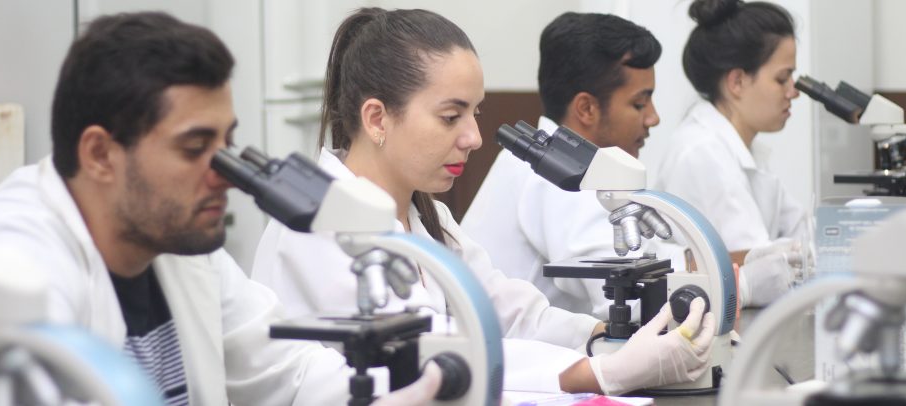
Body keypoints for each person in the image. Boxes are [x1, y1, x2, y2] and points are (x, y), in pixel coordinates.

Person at [0, 11, 442, 405]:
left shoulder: (181, 246)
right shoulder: (12, 258)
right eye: (195, 148)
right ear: (100, 154)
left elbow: (289, 372)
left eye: (226, 146)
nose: (224, 175)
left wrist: (429, 384)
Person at [251, 7, 715, 395]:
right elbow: (427, 356)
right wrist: (600, 372)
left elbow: (505, 310)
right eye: (450, 116)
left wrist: (602, 338)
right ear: (377, 119)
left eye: (474, 113)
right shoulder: (316, 228)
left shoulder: (426, 215)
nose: (474, 137)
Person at [462, 12, 690, 319]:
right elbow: (630, 298)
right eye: (639, 103)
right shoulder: (553, 175)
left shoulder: (583, 164)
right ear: (586, 108)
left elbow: (650, 256)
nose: (653, 118)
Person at [654, 0, 808, 307]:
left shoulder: (744, 149)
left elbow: (802, 237)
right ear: (737, 82)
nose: (794, 91)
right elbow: (764, 270)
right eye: (782, 79)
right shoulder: (703, 153)